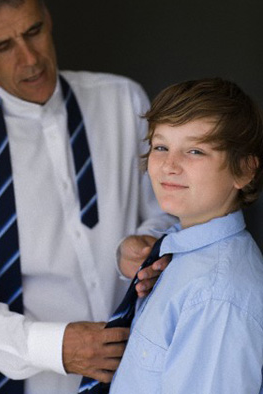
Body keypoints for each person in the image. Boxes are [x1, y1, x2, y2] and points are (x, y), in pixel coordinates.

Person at [0, 0, 175, 394]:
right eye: (3, 46)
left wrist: (143, 244)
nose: (30, 60)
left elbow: (166, 213)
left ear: (48, 18)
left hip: (138, 373)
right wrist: (55, 346)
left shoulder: (123, 101)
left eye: (34, 31)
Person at [109, 78, 263, 394]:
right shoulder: (173, 252)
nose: (169, 165)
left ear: (244, 171)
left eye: (195, 151)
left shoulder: (217, 297)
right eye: (160, 146)